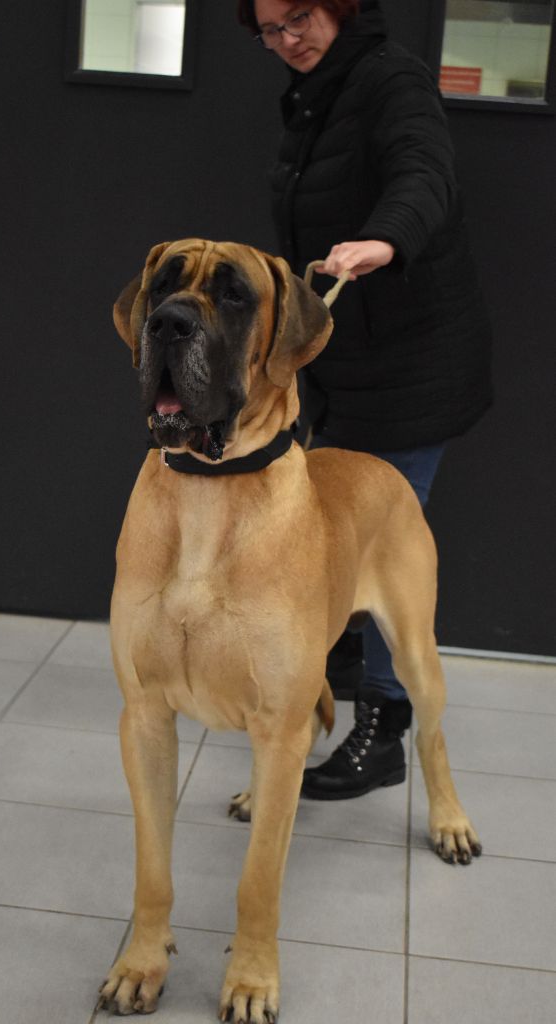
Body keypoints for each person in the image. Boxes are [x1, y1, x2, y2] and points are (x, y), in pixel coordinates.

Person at [237, 0, 492, 799]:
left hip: (413, 367)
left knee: (382, 549)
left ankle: (383, 730)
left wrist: (388, 237)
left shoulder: (390, 79)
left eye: (300, 17)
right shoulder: (316, 93)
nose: (288, 40)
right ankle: (329, 675)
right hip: (346, 367)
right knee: (326, 530)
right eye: (270, 29)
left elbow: (423, 170)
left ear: (339, 5)